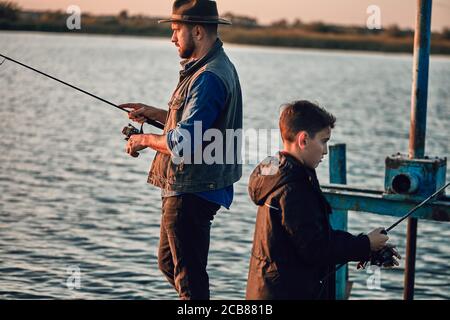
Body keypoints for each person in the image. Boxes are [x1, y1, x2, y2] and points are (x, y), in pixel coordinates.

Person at [120, 0, 242, 300]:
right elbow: (197, 125)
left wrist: (143, 140)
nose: (172, 38)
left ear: (197, 31)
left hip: (192, 189)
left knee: (189, 281)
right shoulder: (209, 68)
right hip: (192, 186)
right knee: (168, 264)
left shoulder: (208, 77)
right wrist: (156, 114)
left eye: (176, 30)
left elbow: (183, 142)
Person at [245, 100, 400, 300]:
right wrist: (365, 244)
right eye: (323, 141)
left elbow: (309, 238)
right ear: (303, 140)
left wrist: (366, 249)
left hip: (270, 289)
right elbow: (315, 249)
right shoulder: (293, 188)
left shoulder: (278, 172)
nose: (325, 151)